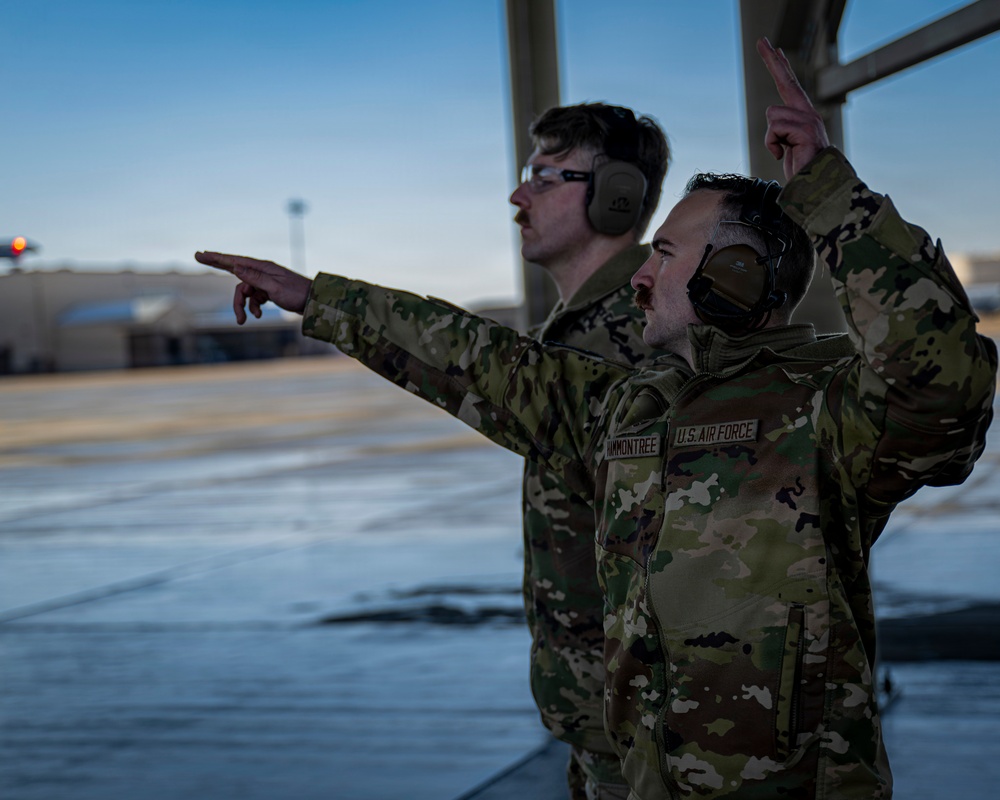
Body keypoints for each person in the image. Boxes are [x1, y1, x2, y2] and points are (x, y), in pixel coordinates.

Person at [196, 38, 997, 798]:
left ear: (736, 274)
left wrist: (828, 194)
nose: (640, 275)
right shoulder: (626, 405)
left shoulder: (819, 409)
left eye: (665, 254)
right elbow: (484, 362)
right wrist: (320, 299)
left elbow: (942, 380)